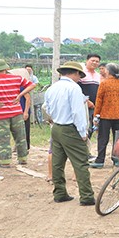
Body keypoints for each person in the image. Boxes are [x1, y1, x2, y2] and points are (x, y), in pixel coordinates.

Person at [44, 61, 95, 205]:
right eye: (80, 75)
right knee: (80, 163)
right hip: (70, 128)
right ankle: (86, 196)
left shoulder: (52, 88)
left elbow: (47, 108)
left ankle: (59, 193)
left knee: (57, 163)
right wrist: (83, 132)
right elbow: (78, 113)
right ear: (76, 73)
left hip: (56, 127)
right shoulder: (74, 88)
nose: (80, 78)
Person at [0, 58, 36, 167]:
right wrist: (20, 95)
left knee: (3, 138)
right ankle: (23, 159)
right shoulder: (17, 78)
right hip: (17, 112)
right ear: (6, 68)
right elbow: (32, 85)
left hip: (1, 114)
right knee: (20, 137)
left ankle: (5, 161)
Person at [79, 54, 101, 137]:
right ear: (87, 61)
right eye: (93, 60)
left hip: (94, 106)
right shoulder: (81, 73)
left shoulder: (98, 75)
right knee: (84, 127)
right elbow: (77, 90)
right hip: (83, 105)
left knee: (91, 127)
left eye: (97, 61)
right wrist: (86, 101)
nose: (95, 63)